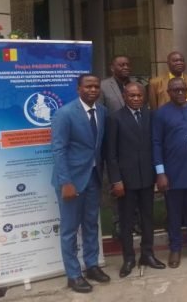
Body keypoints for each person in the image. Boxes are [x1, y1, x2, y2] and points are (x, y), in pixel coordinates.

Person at [51, 74, 110, 293]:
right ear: (78, 89)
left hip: (93, 177)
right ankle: (74, 275)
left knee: (91, 224)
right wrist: (66, 182)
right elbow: (58, 149)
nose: (93, 89)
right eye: (88, 86)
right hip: (71, 181)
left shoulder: (102, 112)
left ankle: (92, 265)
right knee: (69, 229)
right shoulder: (65, 114)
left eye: (96, 86)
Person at [106, 82, 165, 277]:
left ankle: (147, 254)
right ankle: (129, 258)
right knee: (126, 221)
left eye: (139, 95)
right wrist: (116, 181)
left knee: (148, 218)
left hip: (147, 177)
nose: (136, 98)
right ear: (124, 97)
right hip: (126, 181)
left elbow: (156, 145)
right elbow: (111, 154)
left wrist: (158, 174)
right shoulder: (115, 118)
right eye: (132, 95)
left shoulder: (150, 115)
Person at [152, 77, 187, 268]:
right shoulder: (161, 113)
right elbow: (156, 144)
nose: (181, 93)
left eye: (183, 89)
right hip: (173, 173)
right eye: (176, 90)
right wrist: (160, 173)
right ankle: (175, 248)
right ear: (169, 93)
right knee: (174, 215)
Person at [99, 54, 136, 239]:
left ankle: (134, 220)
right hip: (114, 142)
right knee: (116, 183)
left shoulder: (136, 84)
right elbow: (100, 114)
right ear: (112, 67)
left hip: (134, 143)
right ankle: (118, 222)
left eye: (127, 64)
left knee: (134, 183)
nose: (125, 67)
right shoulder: (103, 86)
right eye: (121, 64)